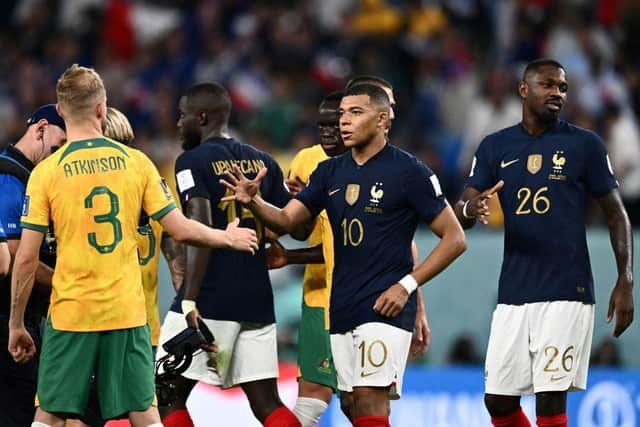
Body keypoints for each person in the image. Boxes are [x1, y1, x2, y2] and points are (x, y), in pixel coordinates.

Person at [8, 64, 258, 427]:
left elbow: (27, 257)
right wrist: (228, 237)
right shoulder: (136, 163)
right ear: (101, 108)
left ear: (60, 111)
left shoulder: (47, 173)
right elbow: (181, 230)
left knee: (50, 415)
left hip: (71, 315)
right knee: (145, 414)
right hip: (126, 314)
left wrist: (17, 323)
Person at [221, 83, 467, 427]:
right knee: (352, 403)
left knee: (369, 399)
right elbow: (289, 220)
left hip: (385, 304)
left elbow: (455, 239)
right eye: (342, 115)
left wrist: (407, 286)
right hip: (342, 304)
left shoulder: (409, 171)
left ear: (382, 120)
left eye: (355, 113)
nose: (344, 122)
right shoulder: (329, 172)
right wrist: (256, 202)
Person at [454, 59, 634, 427]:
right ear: (524, 89)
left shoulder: (584, 144)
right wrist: (472, 207)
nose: (556, 93)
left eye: (562, 87)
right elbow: (461, 213)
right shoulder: (495, 147)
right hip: (515, 290)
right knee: (498, 401)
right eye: (547, 85)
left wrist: (625, 279)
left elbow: (617, 213)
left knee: (550, 401)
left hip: (567, 288)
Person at [154, 82, 302, 427]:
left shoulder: (191, 161)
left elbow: (200, 225)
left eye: (183, 115)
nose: (178, 123)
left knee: (166, 390)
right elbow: (293, 225)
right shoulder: (262, 160)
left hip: (210, 296)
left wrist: (189, 300)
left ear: (201, 117)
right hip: (257, 297)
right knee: (267, 402)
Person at [0, 104, 66, 427]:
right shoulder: (10, 178)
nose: (61, 156)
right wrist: (67, 282)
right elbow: (13, 258)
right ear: (40, 129)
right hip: (9, 320)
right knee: (21, 413)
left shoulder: (35, 177)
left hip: (27, 317)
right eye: (59, 146)